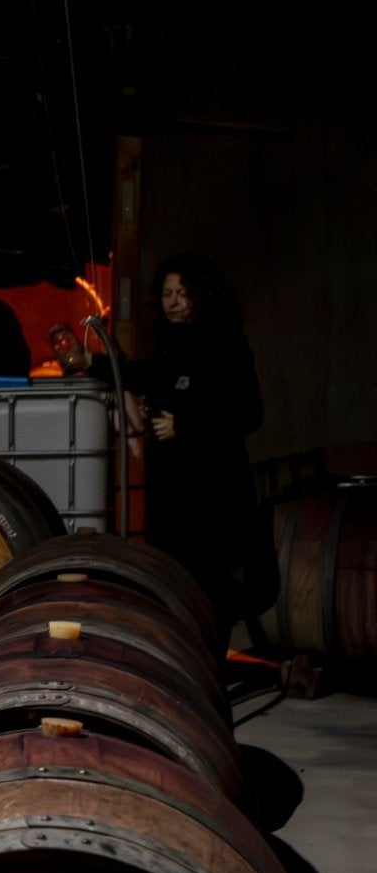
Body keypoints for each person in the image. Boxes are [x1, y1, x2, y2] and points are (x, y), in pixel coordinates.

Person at [130, 251, 276, 637]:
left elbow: (249, 414)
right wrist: (95, 364)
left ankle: (211, 657)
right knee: (173, 575)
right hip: (171, 486)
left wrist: (185, 425)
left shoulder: (225, 347)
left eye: (183, 294)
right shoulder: (169, 344)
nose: (173, 302)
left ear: (202, 297)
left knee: (211, 581)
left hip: (211, 486)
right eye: (167, 294)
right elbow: (150, 378)